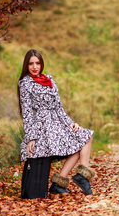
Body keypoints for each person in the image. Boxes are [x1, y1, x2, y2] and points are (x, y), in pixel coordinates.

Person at [17, 49, 95, 198]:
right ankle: (59, 185)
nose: (34, 67)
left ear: (42, 64)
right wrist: (31, 137)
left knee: (85, 136)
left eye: (37, 63)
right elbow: (27, 113)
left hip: (58, 121)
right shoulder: (25, 83)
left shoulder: (49, 79)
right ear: (26, 65)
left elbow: (59, 107)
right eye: (31, 63)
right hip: (43, 125)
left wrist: (71, 123)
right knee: (78, 146)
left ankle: (80, 176)